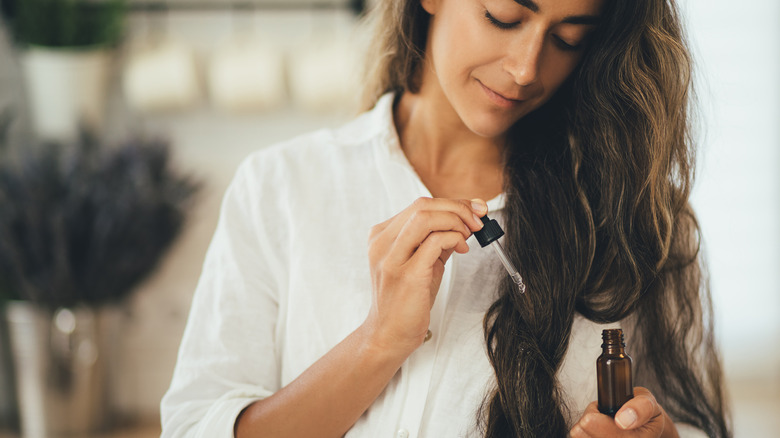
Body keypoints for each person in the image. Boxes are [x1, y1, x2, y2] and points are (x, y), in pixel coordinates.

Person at [161, 0, 731, 437]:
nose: (525, 69)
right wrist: (378, 342)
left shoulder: (639, 224)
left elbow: (692, 422)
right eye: (502, 16)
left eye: (567, 40)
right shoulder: (281, 187)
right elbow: (195, 426)